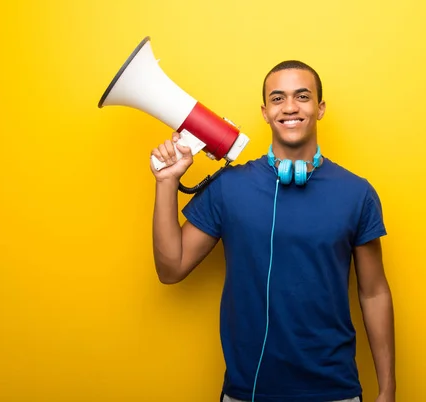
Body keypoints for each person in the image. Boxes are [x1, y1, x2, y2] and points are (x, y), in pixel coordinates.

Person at [150, 60, 396, 402]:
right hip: (246, 391)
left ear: (320, 108)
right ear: (265, 112)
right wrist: (166, 182)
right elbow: (170, 268)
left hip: (334, 391)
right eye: (278, 98)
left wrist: (388, 390)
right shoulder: (229, 187)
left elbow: (374, 293)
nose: (290, 107)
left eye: (303, 96)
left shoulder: (357, 193)